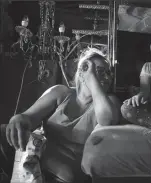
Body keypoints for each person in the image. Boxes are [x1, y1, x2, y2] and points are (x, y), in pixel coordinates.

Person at [0, 48, 121, 182]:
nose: (108, 77)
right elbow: (29, 117)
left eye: (109, 73)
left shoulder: (109, 102)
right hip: (41, 157)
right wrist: (18, 119)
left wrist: (92, 79)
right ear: (81, 72)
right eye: (100, 71)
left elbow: (108, 120)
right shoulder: (61, 92)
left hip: (70, 171)